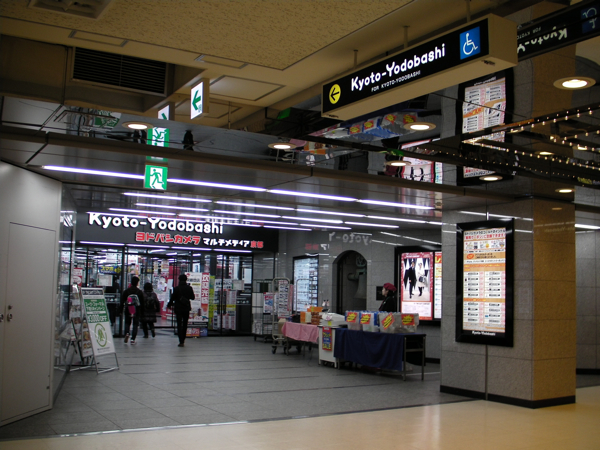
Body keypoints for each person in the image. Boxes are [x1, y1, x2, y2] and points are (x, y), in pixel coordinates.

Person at [167, 274, 195, 347]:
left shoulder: (176, 288)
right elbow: (192, 297)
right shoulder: (189, 288)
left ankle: (180, 340)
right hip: (186, 308)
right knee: (185, 324)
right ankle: (183, 339)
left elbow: (172, 298)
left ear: (179, 279)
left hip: (178, 308)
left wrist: (169, 305)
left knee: (179, 324)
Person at [119, 276, 144, 344]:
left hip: (128, 308)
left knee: (127, 322)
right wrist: (142, 312)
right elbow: (142, 303)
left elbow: (122, 301)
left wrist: (120, 310)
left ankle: (127, 333)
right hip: (136, 309)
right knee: (135, 324)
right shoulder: (139, 292)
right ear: (137, 283)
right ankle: (133, 339)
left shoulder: (126, 291)